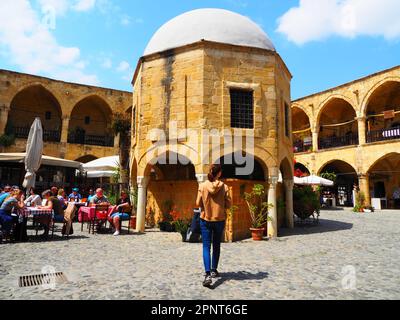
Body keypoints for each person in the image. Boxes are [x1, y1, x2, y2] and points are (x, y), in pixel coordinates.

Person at [196, 164, 232, 288]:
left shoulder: (202, 186)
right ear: (219, 173)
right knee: (216, 245)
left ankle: (207, 274)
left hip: (205, 219)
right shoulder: (225, 187)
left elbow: (197, 203)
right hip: (219, 219)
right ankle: (214, 270)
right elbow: (228, 204)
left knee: (206, 246)